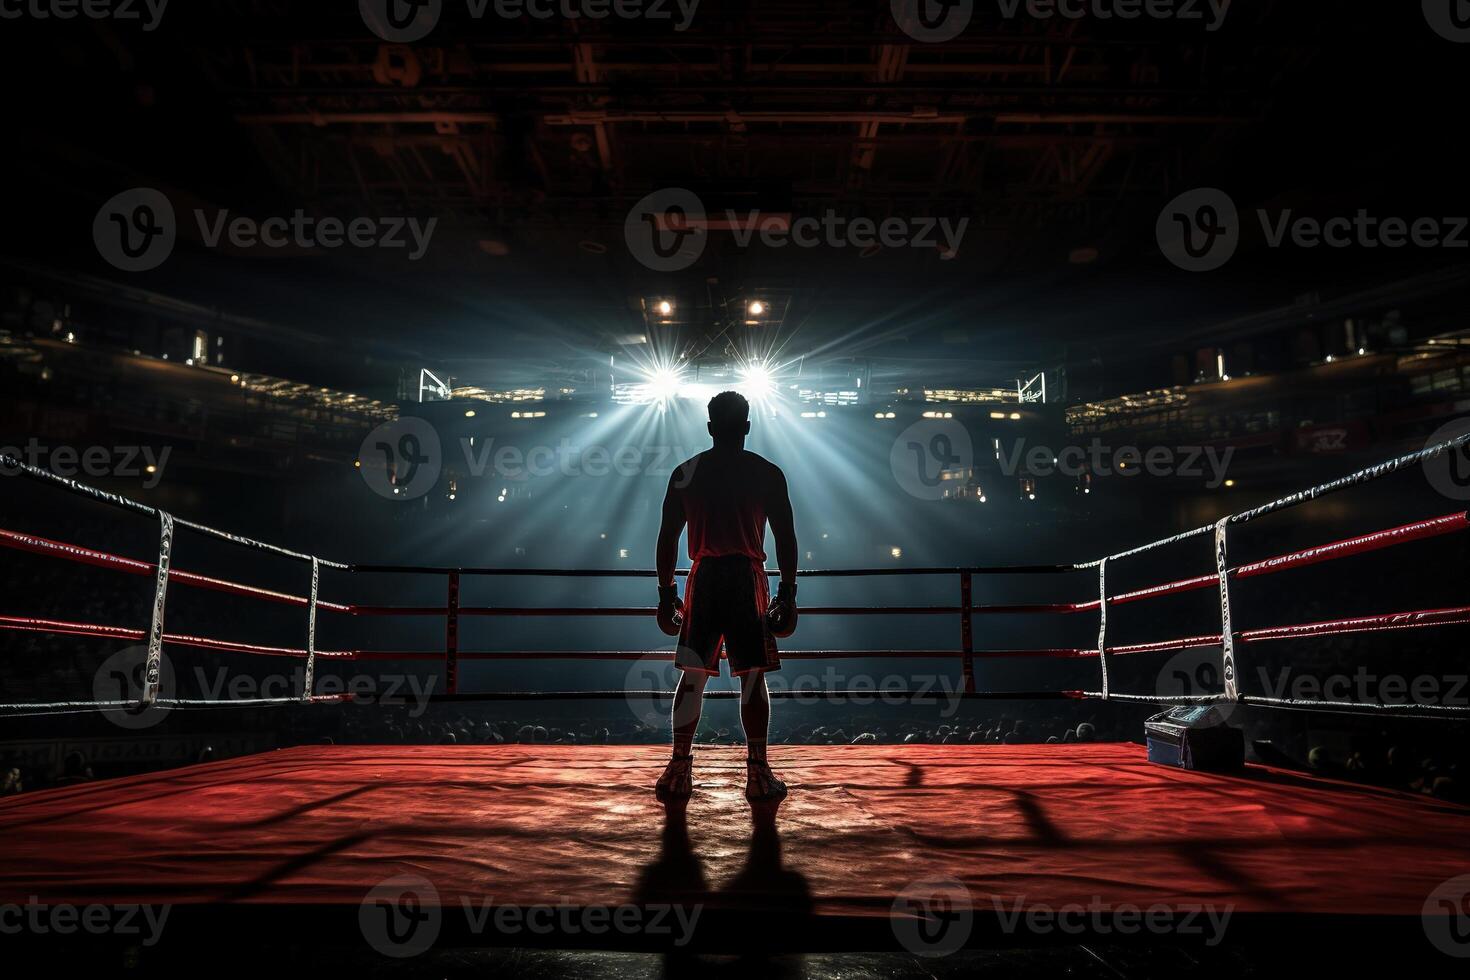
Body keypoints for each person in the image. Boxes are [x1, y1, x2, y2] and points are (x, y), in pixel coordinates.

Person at [653, 391, 798, 801]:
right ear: (747, 427)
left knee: (693, 676)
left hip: (704, 576)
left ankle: (680, 770)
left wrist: (666, 593)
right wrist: (788, 592)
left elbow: (667, 538)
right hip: (746, 576)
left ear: (711, 427)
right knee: (752, 677)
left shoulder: (686, 472)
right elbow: (785, 539)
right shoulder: (767, 473)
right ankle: (757, 773)